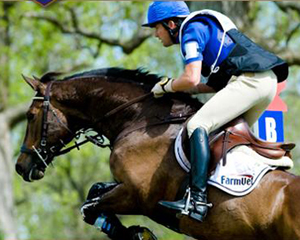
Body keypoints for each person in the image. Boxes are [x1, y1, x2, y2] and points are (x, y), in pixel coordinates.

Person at [142, 1, 288, 222]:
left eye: (156, 27)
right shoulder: (206, 29)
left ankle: (197, 200)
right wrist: (176, 88)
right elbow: (209, 85)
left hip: (251, 81)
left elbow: (191, 78)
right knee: (229, 137)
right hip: (265, 82)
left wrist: (167, 86)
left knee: (196, 125)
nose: (155, 34)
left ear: (171, 24)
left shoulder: (190, 31)